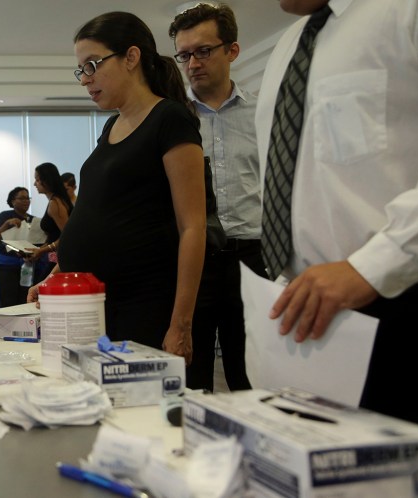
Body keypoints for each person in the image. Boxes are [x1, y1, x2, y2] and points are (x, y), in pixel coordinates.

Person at [254, 0, 418, 425]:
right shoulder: (286, 46)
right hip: (307, 318)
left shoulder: (407, 11)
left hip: (402, 306)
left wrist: (370, 267)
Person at [31, 12, 206, 361]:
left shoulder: (169, 119)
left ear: (131, 57)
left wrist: (181, 324)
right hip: (97, 304)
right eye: (81, 70)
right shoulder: (112, 125)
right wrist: (57, 274)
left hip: (143, 303)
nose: (85, 79)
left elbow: (193, 226)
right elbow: (98, 212)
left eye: (92, 65)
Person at [170, 3, 265, 391]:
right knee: (190, 373)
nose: (193, 63)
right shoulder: (172, 120)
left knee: (252, 372)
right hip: (193, 259)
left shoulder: (262, 112)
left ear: (232, 50)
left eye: (203, 51)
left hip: (253, 257)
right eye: (184, 54)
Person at [0, 186, 36, 306]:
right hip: (7, 265)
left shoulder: (33, 220)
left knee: (25, 300)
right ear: (13, 201)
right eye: (22, 198)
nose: (26, 201)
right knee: (8, 301)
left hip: (27, 266)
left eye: (28, 198)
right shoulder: (5, 216)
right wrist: (7, 224)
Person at [27, 162, 73, 271]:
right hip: (56, 257)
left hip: (60, 259)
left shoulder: (55, 203)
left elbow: (67, 236)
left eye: (37, 180)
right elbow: (55, 235)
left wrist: (42, 250)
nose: (34, 184)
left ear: (47, 180)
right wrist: (37, 251)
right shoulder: (56, 201)